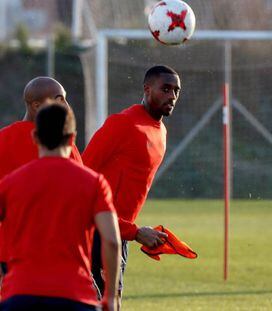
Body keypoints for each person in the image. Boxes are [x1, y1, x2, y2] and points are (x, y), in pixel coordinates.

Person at [0, 104, 121, 311]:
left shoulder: (10, 183)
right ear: (72, 138)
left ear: (35, 137)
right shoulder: (94, 183)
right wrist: (110, 296)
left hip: (19, 293)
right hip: (73, 294)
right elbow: (111, 240)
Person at [82, 65, 181, 302]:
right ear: (147, 89)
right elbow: (80, 179)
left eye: (176, 91)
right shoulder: (122, 124)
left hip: (118, 234)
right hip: (93, 234)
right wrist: (135, 232)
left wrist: (138, 233)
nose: (172, 96)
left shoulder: (161, 131)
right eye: (165, 89)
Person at [0, 76, 83, 282]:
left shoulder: (2, 139)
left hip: (9, 253)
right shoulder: (64, 147)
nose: (66, 105)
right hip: (55, 254)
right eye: (59, 99)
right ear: (36, 105)